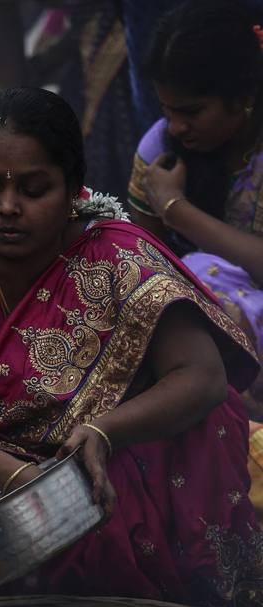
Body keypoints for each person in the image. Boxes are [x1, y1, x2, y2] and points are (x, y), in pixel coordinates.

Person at [0, 86, 263, 607]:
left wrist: (105, 430)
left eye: (35, 190)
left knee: (202, 428)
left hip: (113, 460)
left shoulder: (115, 255)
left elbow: (202, 375)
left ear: (74, 190)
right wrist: (16, 478)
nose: (7, 207)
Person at [127, 0, 263, 363]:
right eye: (166, 110)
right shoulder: (160, 150)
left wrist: (177, 210)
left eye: (191, 112)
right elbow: (148, 272)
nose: (175, 127)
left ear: (243, 98)